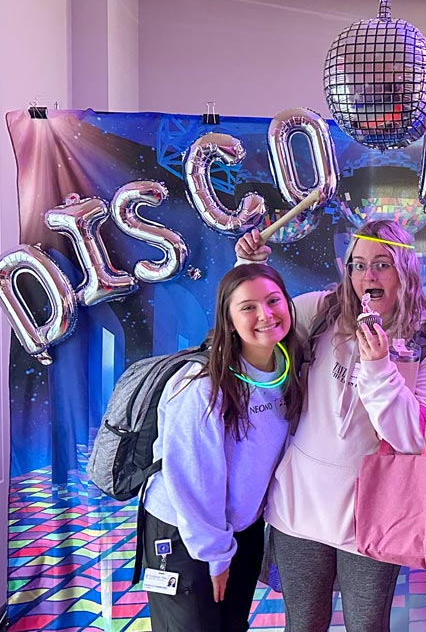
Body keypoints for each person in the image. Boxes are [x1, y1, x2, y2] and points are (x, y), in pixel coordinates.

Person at [235, 219, 426, 632]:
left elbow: (419, 439)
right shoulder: (321, 311)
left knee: (368, 627)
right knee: (302, 626)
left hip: (375, 514)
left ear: (404, 270)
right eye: (358, 265)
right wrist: (250, 269)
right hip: (300, 507)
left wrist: (379, 369)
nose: (367, 276)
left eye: (382, 264)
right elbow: (260, 323)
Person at [141, 263, 304, 632]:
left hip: (239, 530)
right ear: (229, 320)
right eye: (248, 307)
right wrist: (215, 555)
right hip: (185, 532)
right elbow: (192, 479)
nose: (266, 314)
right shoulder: (201, 386)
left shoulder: (284, 368)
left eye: (273, 300)